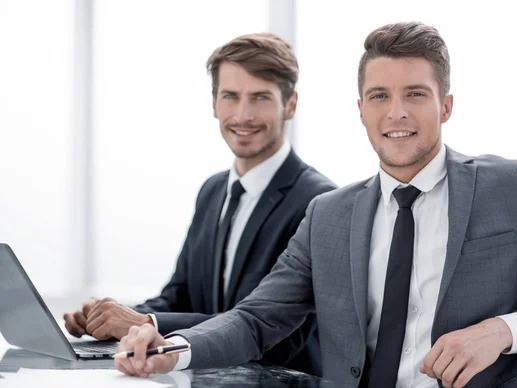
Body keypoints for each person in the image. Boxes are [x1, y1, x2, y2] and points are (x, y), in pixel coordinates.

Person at [113, 22, 517, 388]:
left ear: (445, 106)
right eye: (380, 96)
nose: (397, 112)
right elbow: (257, 318)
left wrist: (505, 331)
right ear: (361, 109)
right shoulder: (329, 214)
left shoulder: (512, 187)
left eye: (416, 94)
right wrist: (174, 350)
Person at [63, 32, 336, 375]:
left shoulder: (319, 202)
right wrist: (110, 317)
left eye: (260, 97)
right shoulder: (213, 191)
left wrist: (145, 321)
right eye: (231, 96)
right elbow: (178, 296)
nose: (243, 115)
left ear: (290, 104)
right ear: (214, 103)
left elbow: (273, 330)